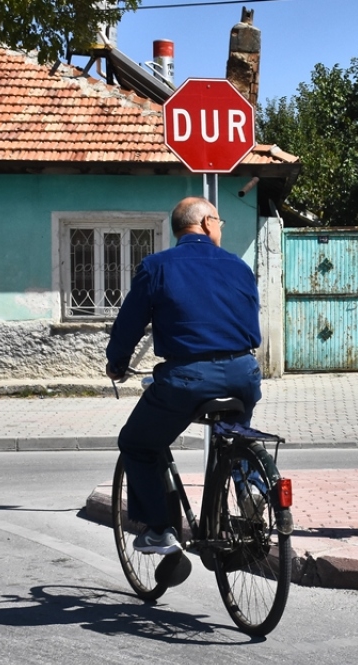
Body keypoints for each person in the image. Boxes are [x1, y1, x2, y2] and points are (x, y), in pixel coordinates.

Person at [105, 196, 262, 555]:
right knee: (235, 431)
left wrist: (117, 362)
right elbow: (252, 327)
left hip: (188, 378)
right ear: (206, 223)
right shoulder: (238, 267)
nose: (221, 227)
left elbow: (129, 324)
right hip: (243, 373)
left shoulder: (157, 267)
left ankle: (159, 531)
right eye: (220, 221)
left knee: (138, 443)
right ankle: (249, 485)